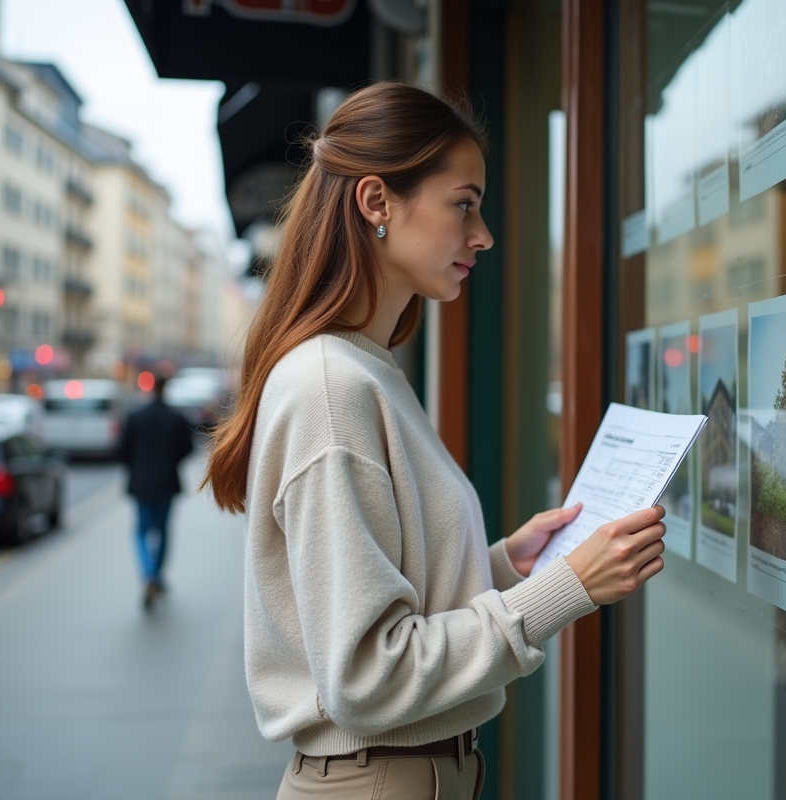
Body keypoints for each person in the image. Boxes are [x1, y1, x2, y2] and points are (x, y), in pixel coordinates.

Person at [203, 81, 668, 800]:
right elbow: (368, 676)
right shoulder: (334, 388)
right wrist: (564, 589)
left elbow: (386, 596)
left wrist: (504, 568)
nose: (482, 235)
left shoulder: (366, 369)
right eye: (464, 203)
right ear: (376, 203)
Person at [117, 375, 194, 610]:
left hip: (141, 485)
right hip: (167, 484)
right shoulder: (176, 418)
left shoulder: (134, 417)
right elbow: (188, 449)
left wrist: (137, 466)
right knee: (162, 531)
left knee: (141, 530)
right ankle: (157, 575)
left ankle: (148, 574)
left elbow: (121, 451)